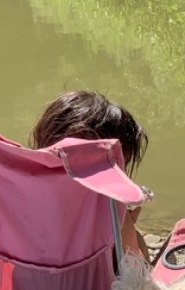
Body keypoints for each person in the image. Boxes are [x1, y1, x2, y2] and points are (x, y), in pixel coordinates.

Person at [29, 89, 152, 261]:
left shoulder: (21, 187)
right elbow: (135, 265)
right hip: (91, 277)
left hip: (24, 275)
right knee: (134, 238)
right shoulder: (109, 205)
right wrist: (127, 221)